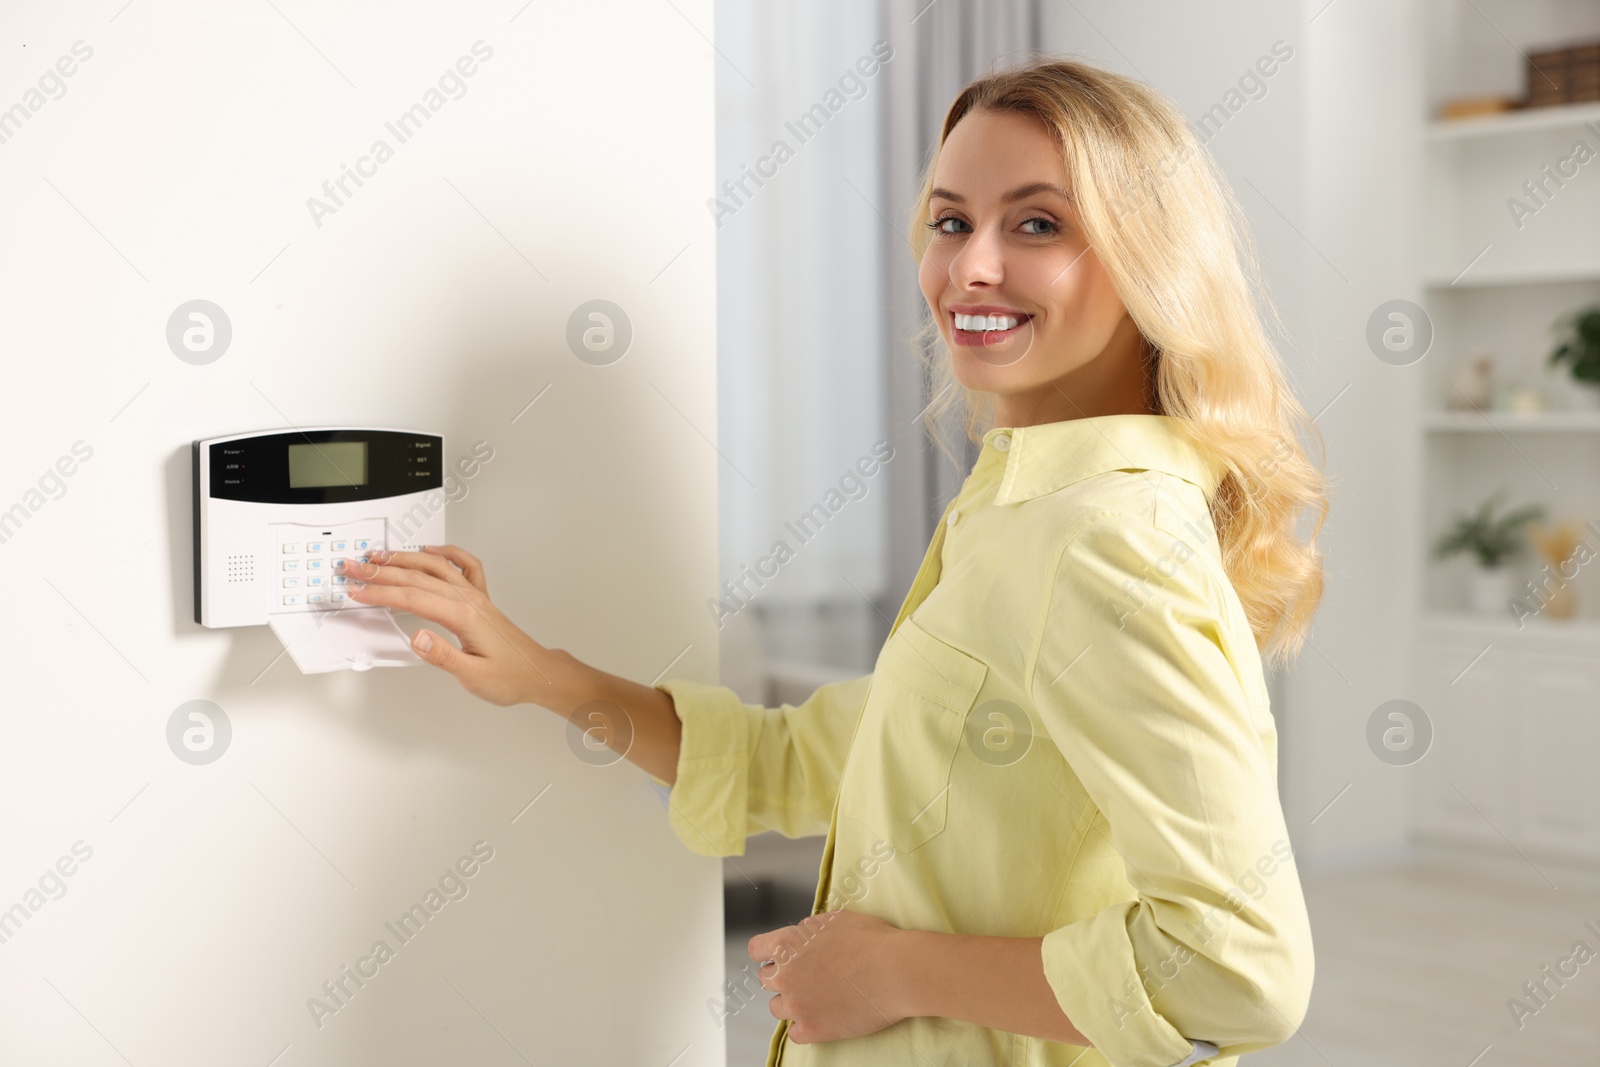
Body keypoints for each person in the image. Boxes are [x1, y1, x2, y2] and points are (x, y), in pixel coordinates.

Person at [345, 54, 1327, 1067]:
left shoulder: (1100, 540)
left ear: (1148, 258)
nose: (970, 267)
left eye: (1037, 223)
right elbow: (800, 762)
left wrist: (898, 970)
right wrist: (535, 670)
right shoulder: (1014, 514)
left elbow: (1238, 967)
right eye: (949, 222)